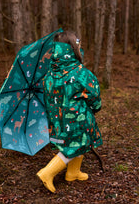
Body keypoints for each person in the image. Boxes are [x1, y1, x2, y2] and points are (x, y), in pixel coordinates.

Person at [36, 31, 102, 193]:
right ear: (73, 49)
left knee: (74, 143)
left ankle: (73, 173)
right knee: (74, 145)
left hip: (57, 120)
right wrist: (95, 107)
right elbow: (94, 96)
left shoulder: (50, 73)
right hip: (77, 119)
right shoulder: (80, 73)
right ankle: (47, 172)